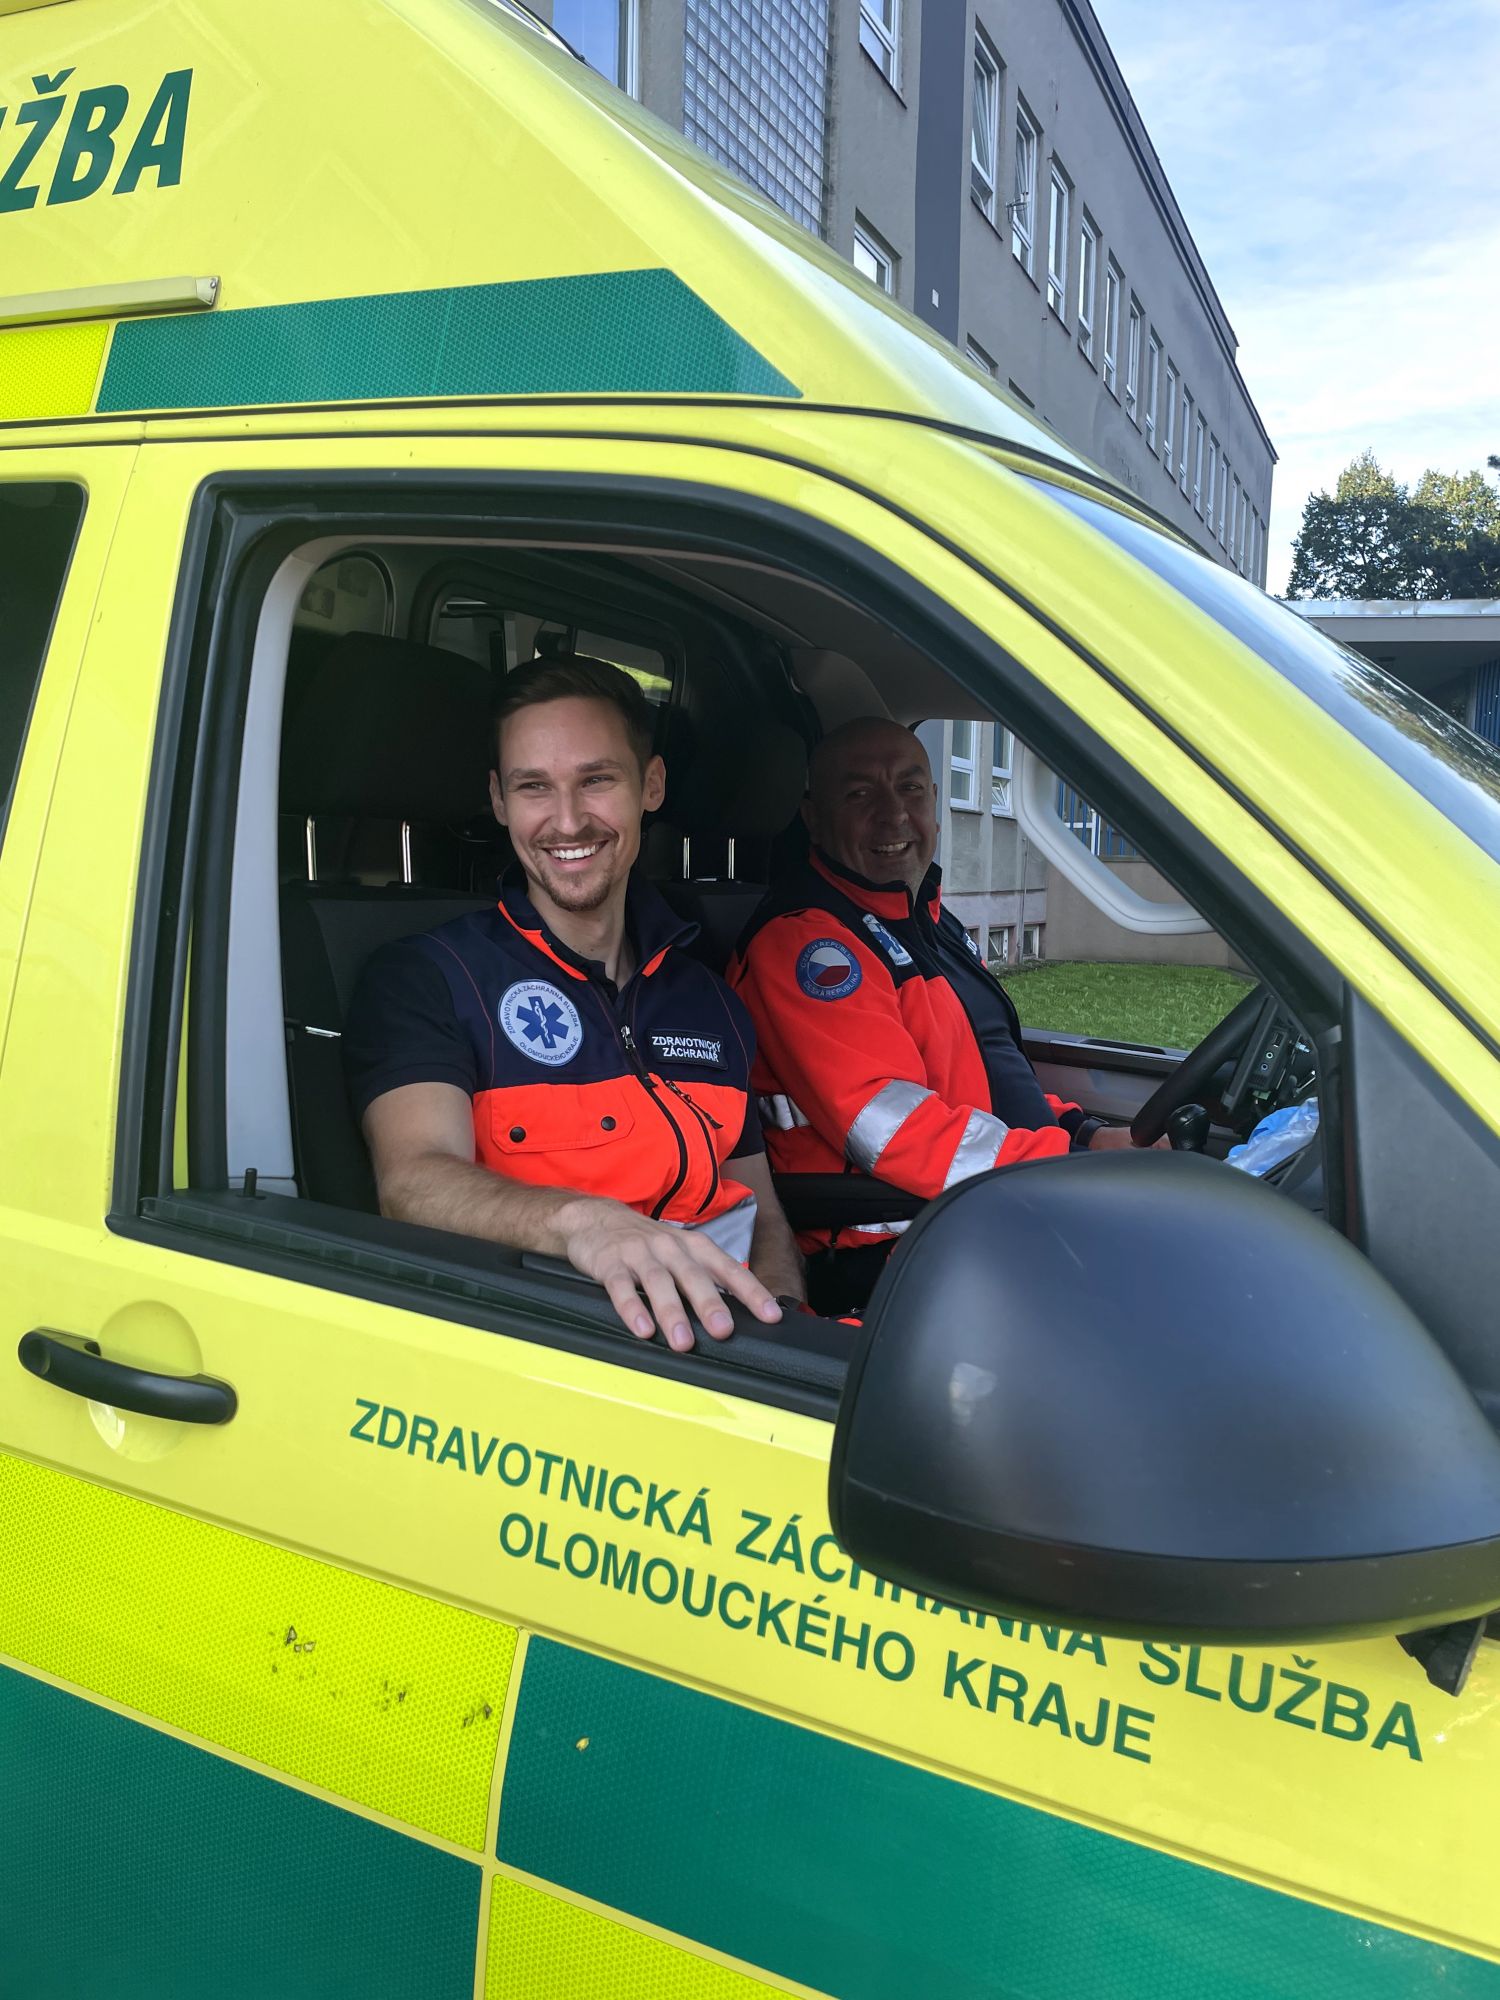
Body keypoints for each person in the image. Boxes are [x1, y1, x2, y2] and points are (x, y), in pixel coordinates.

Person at [343, 655, 804, 1352]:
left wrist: (784, 1334)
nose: (566, 821)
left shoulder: (707, 997)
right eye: (534, 787)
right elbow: (412, 1182)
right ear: (499, 801)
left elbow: (761, 1213)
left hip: (735, 1356)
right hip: (565, 1356)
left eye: (596, 780)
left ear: (651, 785)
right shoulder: (431, 977)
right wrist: (586, 1223)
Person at [729, 716, 1159, 1314]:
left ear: (933, 800)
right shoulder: (811, 946)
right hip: (897, 1249)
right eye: (860, 795)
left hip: (976, 1209)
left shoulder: (925, 920)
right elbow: (891, 1127)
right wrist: (1065, 1167)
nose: (894, 815)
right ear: (813, 817)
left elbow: (979, 1070)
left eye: (909, 788)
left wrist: (1081, 1132)